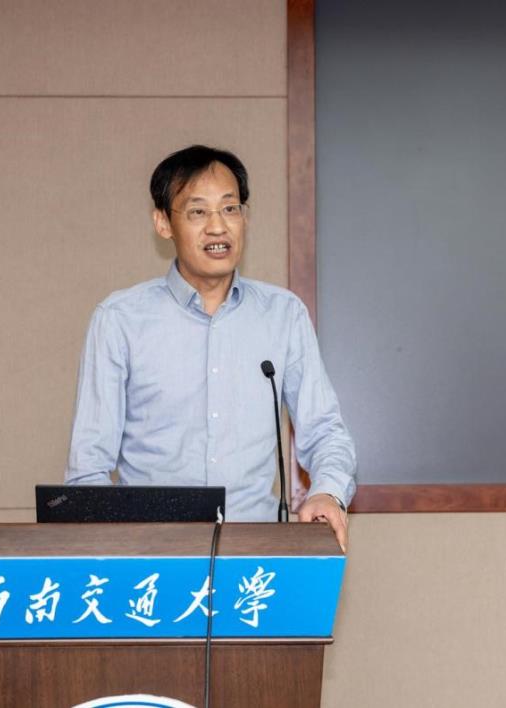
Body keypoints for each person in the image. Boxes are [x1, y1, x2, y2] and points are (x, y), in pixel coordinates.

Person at [65, 145, 356, 550]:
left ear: (244, 217)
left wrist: (327, 492)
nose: (218, 227)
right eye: (198, 211)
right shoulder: (120, 320)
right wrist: (116, 551)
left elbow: (324, 431)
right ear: (163, 222)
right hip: (151, 558)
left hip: (255, 555)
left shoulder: (283, 315)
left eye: (230, 208)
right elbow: (88, 470)